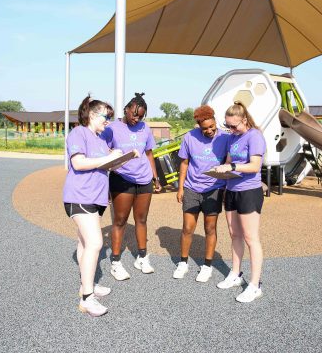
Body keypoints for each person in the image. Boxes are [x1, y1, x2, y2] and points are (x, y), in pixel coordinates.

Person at [63, 96, 122, 317]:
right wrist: (107, 159)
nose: (108, 121)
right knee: (96, 243)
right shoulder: (79, 133)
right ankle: (87, 298)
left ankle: (85, 285)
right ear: (91, 114)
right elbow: (78, 162)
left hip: (94, 197)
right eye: (106, 116)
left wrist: (116, 159)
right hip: (80, 195)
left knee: (84, 242)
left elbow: (100, 165)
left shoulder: (99, 139)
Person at [103, 93, 163, 280]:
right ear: (126, 109)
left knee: (142, 219)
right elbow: (103, 152)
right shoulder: (112, 128)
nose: (137, 118)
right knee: (120, 220)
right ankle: (116, 262)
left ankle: (142, 257)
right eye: (134, 114)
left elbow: (150, 153)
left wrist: (155, 177)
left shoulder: (145, 128)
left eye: (141, 116)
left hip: (144, 179)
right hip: (122, 178)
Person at [213, 101, 266, 303]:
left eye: (234, 126)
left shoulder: (255, 136)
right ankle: (235, 274)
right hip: (232, 189)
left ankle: (255, 284)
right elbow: (228, 161)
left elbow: (254, 166)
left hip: (249, 191)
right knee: (234, 234)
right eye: (228, 126)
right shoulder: (233, 137)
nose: (231, 130)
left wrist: (232, 166)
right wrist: (221, 168)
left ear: (244, 120)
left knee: (251, 238)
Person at [174, 105, 230, 282]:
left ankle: (207, 266)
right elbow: (184, 163)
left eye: (212, 126)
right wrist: (181, 187)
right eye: (205, 128)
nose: (210, 130)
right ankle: (183, 263)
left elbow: (230, 163)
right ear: (198, 125)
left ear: (215, 121)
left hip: (214, 189)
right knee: (187, 228)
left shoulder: (225, 138)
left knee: (210, 228)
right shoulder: (189, 137)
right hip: (192, 188)